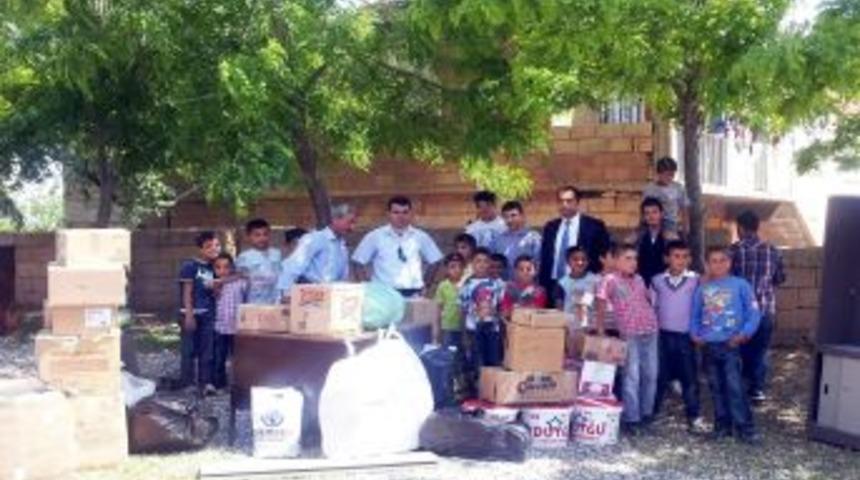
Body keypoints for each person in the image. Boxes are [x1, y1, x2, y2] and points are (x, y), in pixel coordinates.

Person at [692, 246, 762, 445]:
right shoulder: (702, 289)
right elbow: (695, 315)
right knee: (716, 388)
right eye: (713, 261)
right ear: (707, 264)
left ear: (729, 263)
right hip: (709, 346)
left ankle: (745, 428)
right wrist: (694, 334)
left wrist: (744, 334)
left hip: (731, 346)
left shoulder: (741, 285)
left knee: (735, 387)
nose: (719, 264)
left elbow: (753, 313)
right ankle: (722, 426)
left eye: (722, 260)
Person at [596, 243, 659, 433]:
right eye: (628, 258)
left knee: (651, 374)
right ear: (616, 260)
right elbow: (600, 304)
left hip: (650, 330)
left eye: (635, 258)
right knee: (632, 376)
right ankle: (632, 418)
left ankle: (646, 413)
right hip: (629, 334)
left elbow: (646, 300)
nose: (633, 262)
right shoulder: (609, 280)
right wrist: (600, 330)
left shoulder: (639, 279)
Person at [729, 210, 786, 404]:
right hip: (765, 309)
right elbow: (780, 279)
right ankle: (757, 389)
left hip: (741, 311)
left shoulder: (733, 251)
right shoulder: (774, 251)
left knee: (740, 349)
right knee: (761, 351)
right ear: (757, 227)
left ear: (740, 228)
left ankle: (740, 386)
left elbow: (727, 279)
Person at [650, 240, 704, 432]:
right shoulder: (656, 281)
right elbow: (652, 307)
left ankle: (694, 416)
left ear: (690, 259)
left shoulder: (696, 280)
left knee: (689, 377)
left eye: (685, 256)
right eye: (676, 256)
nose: (681, 260)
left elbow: (702, 306)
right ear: (667, 258)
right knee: (659, 376)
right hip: (663, 336)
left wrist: (699, 331)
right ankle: (653, 413)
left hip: (686, 337)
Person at [352, 196, 444, 297]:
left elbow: (435, 260)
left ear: (411, 214)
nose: (401, 216)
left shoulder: (420, 237)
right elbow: (358, 261)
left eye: (405, 212)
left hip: (413, 293)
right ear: (388, 214)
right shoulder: (375, 236)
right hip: (383, 293)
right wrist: (368, 289)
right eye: (396, 212)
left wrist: (426, 284)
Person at [539, 185, 610, 307]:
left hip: (583, 284)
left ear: (577, 202)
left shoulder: (594, 226)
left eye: (569, 201)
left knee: (581, 316)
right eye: (561, 201)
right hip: (553, 284)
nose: (564, 204)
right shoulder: (550, 227)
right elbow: (545, 258)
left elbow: (605, 254)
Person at [277, 204, 356, 298]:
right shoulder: (315, 239)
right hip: (310, 295)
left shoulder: (342, 246)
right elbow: (294, 266)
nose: (352, 228)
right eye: (349, 222)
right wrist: (285, 293)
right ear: (335, 219)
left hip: (332, 296)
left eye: (354, 223)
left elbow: (343, 277)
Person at [177, 231, 220, 393]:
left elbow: (214, 292)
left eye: (217, 245)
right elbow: (187, 292)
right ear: (200, 249)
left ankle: (205, 382)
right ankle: (187, 382)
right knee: (188, 349)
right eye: (209, 246)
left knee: (207, 350)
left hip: (208, 314)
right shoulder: (190, 266)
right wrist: (189, 315)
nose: (214, 249)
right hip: (190, 313)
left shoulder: (214, 267)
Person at [459, 248, 506, 371]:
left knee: (493, 363)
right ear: (472, 264)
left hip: (493, 330)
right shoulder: (467, 285)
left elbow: (501, 308)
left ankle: (491, 383)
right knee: (477, 364)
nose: (482, 265)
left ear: (490, 263)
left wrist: (503, 331)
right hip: (473, 330)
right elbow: (463, 311)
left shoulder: (497, 284)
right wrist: (464, 335)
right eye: (478, 261)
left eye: (485, 261)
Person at [212, 253, 247, 391]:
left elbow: (247, 282)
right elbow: (213, 294)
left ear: (232, 268)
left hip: (236, 327)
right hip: (220, 327)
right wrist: (219, 285)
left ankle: (237, 383)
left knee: (237, 357)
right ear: (214, 269)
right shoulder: (213, 283)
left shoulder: (240, 283)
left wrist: (238, 276)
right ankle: (219, 383)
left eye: (226, 267)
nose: (222, 270)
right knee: (219, 357)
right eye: (218, 267)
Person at [490, 201, 542, 280]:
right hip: (503, 285)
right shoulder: (497, 240)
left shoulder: (533, 238)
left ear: (522, 216)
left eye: (513, 215)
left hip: (526, 284)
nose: (509, 220)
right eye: (506, 217)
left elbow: (538, 263)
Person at [236, 219, 282, 304]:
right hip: (254, 302)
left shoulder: (277, 254)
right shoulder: (244, 257)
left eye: (265, 234)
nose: (262, 238)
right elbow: (239, 280)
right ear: (248, 237)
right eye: (257, 235)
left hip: (276, 301)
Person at [556, 246, 601, 329]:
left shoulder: (595, 280)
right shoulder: (562, 283)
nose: (580, 262)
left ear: (588, 262)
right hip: (569, 325)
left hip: (590, 326)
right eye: (575, 259)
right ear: (568, 262)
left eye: (583, 259)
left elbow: (599, 304)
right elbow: (560, 308)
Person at [643, 157, 688, 235]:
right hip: (651, 223)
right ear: (659, 174)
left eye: (672, 175)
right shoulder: (650, 189)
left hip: (670, 223)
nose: (670, 177)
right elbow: (644, 208)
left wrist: (686, 227)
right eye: (667, 175)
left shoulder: (678, 188)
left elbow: (684, 208)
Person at [634, 198, 673, 287]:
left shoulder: (670, 237)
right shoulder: (637, 237)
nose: (651, 216)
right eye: (647, 213)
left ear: (661, 214)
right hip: (641, 282)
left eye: (654, 212)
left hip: (665, 284)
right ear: (643, 217)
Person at [500, 256, 548, 320]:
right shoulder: (509, 288)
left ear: (535, 272)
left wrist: (515, 309)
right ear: (515, 271)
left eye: (529, 269)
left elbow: (535, 311)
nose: (525, 272)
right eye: (521, 269)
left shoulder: (540, 291)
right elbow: (505, 311)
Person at [434, 253, 466, 348]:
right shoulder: (443, 286)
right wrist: (436, 331)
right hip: (448, 326)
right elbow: (438, 309)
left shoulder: (467, 285)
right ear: (446, 269)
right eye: (452, 267)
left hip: (464, 326)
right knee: (448, 352)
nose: (457, 270)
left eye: (460, 266)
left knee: (463, 351)